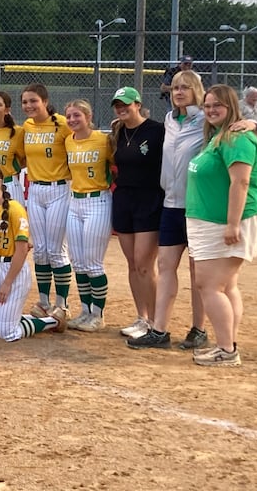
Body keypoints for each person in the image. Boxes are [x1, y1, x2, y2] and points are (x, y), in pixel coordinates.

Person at [186, 84, 257, 366]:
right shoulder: (220, 136)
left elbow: (241, 181)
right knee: (226, 286)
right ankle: (228, 343)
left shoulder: (236, 138)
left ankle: (226, 350)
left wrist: (233, 224)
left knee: (209, 285)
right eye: (207, 106)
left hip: (228, 222)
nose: (210, 110)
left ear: (231, 106)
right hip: (213, 220)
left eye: (217, 105)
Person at [0, 164, 66, 340]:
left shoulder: (15, 209)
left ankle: (52, 321)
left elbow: (22, 249)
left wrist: (7, 282)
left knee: (7, 333)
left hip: (13, 271)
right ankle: (16, 318)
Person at [110, 87, 165, 340]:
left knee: (145, 263)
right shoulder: (118, 131)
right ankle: (141, 316)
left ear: (138, 104)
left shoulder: (156, 130)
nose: (121, 108)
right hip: (124, 199)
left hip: (149, 199)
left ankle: (155, 321)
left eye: (126, 104)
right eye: (117, 105)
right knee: (132, 262)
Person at [20, 83, 73, 318]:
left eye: (34, 101)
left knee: (56, 250)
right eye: (25, 102)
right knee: (40, 250)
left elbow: (78, 147)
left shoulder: (62, 124)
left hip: (59, 188)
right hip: (35, 189)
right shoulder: (27, 126)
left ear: (44, 101)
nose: (29, 106)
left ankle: (62, 304)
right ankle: (43, 302)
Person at [63, 99, 113, 332]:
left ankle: (98, 315)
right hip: (75, 201)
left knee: (93, 264)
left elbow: (116, 166)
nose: (73, 120)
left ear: (88, 117)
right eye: (69, 116)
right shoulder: (68, 142)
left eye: (77, 116)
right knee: (79, 263)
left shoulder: (104, 140)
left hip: (98, 200)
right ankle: (85, 310)